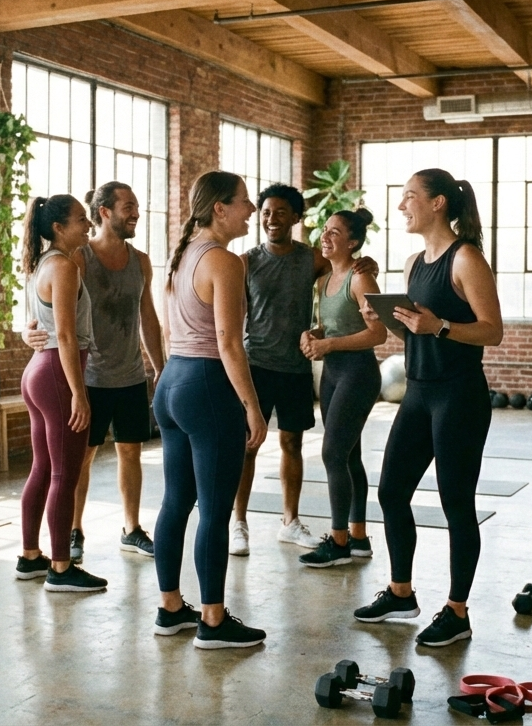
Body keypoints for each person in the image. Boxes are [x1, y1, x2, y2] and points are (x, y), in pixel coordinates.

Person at [352, 169, 503, 647]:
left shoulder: (466, 258)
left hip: (459, 395)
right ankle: (401, 592)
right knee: (392, 491)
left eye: (409, 197)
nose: (402, 206)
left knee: (456, 504)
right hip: (418, 392)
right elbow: (418, 329)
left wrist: (439, 327)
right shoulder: (415, 262)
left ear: (438, 203)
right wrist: (390, 319)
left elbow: (492, 331)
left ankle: (457, 612)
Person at [22, 182, 166, 563]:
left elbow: (147, 318)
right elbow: (53, 319)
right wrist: (30, 330)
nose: (135, 213)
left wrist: (160, 367)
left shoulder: (142, 261)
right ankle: (72, 531)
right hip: (87, 378)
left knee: (130, 452)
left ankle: (131, 529)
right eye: (128, 206)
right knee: (78, 460)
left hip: (130, 374)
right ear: (105, 212)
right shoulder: (76, 258)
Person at [153, 170, 268, 649]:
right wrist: (253, 406)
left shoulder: (183, 256)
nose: (252, 210)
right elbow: (227, 343)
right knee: (216, 510)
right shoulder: (224, 260)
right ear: (220, 208)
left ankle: (171, 608)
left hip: (172, 383)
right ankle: (214, 622)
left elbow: (169, 331)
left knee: (176, 502)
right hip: (206, 385)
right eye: (244, 202)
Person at [230, 184, 376, 556]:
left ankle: (290, 521)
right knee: (248, 445)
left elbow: (347, 269)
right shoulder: (246, 261)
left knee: (292, 443)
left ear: (296, 218)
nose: (271, 219)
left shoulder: (314, 260)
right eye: (265, 212)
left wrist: (368, 264)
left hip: (296, 368)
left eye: (280, 212)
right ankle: (239, 522)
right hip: (256, 365)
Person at [14, 194, 109, 593]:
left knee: (42, 469)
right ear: (58, 228)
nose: (88, 226)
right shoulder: (65, 266)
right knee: (63, 474)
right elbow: (66, 335)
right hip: (56, 374)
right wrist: (79, 394)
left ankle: (30, 557)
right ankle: (60, 567)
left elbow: (39, 325)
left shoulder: (42, 265)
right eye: (81, 220)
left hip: (37, 374)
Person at [296, 209, 387, 568]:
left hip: (358, 373)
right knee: (348, 456)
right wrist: (314, 334)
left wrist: (329, 346)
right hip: (332, 374)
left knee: (333, 454)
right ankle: (359, 538)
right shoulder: (324, 280)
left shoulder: (360, 278)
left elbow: (377, 334)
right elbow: (328, 326)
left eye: (336, 232)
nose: (327, 236)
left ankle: (338, 541)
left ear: (353, 243)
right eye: (325, 230)